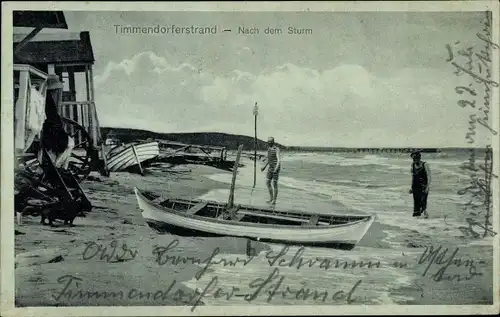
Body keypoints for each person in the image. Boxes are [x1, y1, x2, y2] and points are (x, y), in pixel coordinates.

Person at [408, 151, 431, 218]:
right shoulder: (412, 165)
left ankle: (425, 213)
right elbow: (413, 177)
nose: (415, 160)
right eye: (414, 159)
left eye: (416, 158)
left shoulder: (425, 164)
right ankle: (418, 220)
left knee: (423, 200)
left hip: (423, 186)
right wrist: (411, 188)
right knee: (416, 201)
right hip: (415, 186)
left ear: (419, 158)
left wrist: (427, 187)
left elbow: (429, 176)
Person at [261, 137, 281, 204]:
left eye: (270, 141)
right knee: (267, 182)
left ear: (273, 142)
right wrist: (264, 166)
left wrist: (276, 168)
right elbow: (269, 159)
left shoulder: (276, 149)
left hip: (276, 168)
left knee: (274, 184)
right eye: (268, 141)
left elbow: (278, 160)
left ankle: (274, 200)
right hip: (270, 167)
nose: (269, 142)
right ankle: (271, 198)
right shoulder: (269, 149)